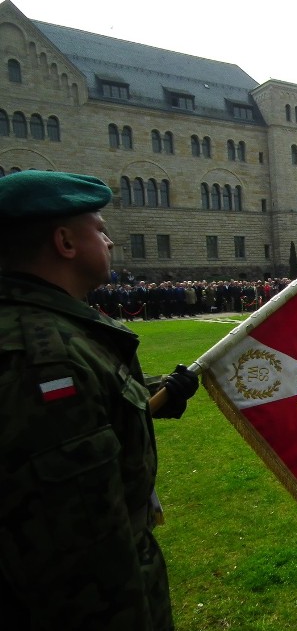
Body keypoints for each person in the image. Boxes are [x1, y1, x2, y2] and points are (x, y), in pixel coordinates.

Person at [0, 170, 199, 631]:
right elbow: (83, 549)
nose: (110, 243)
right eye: (101, 230)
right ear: (65, 242)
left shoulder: (55, 329)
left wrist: (154, 393)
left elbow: (99, 410)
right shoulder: (43, 358)